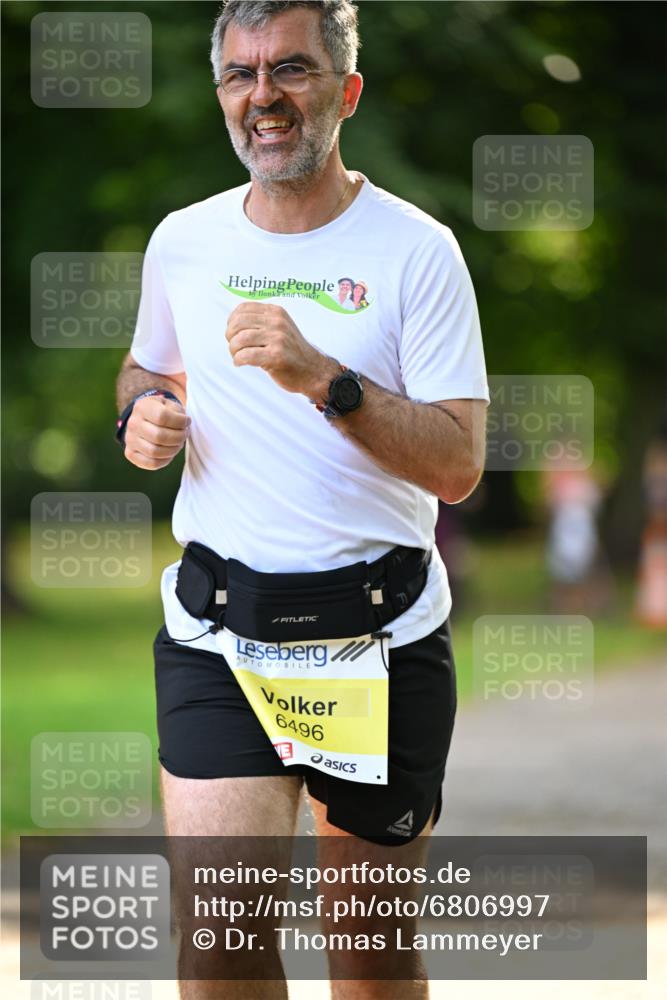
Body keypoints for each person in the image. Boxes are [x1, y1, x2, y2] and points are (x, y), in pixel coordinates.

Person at [115, 2, 488, 996]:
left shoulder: (418, 251)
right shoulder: (182, 242)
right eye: (240, 75)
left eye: (290, 68)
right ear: (222, 98)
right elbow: (145, 371)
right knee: (221, 955)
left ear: (346, 91)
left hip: (378, 635)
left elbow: (458, 464)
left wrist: (326, 375)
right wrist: (143, 414)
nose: (263, 95)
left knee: (368, 964)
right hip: (220, 632)